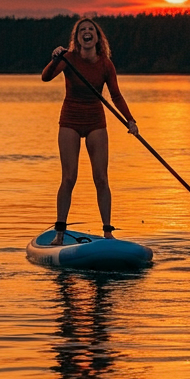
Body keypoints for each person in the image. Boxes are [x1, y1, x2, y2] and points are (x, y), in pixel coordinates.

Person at [42, 18, 138, 244]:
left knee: (101, 178)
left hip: (96, 121)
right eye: (82, 30)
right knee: (69, 177)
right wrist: (55, 58)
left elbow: (116, 95)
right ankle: (59, 233)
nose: (86, 32)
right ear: (77, 38)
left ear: (97, 37)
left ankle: (107, 231)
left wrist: (131, 121)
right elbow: (45, 77)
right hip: (70, 120)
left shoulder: (105, 64)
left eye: (90, 30)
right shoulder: (68, 59)